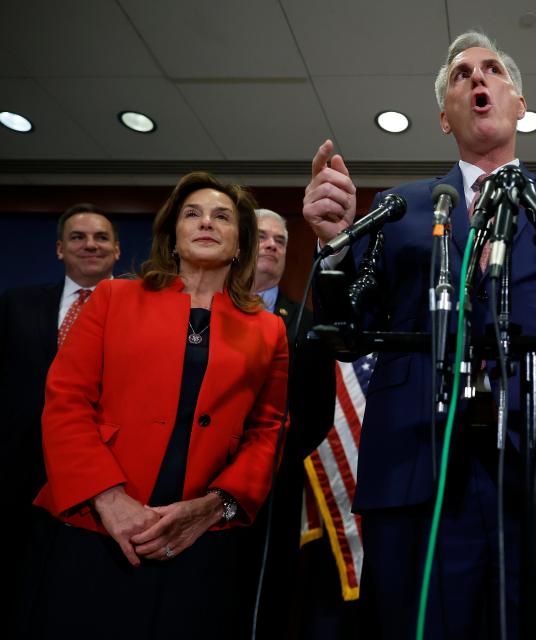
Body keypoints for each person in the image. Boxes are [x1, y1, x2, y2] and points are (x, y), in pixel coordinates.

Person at [303, 31, 536, 638]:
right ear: (443, 117)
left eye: (492, 72)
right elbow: (354, 329)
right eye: (461, 75)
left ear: (518, 103)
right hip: (419, 467)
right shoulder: (401, 207)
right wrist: (333, 243)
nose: (477, 80)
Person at [28, 172, 289, 639]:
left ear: (239, 243)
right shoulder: (112, 298)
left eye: (222, 217)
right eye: (193, 214)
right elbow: (66, 402)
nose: (206, 222)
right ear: (172, 236)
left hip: (200, 540)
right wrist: (109, 500)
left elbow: (268, 430)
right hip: (99, 529)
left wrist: (216, 506)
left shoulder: (269, 330)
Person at [0, 203, 120, 635]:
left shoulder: (139, 310)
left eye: (101, 237)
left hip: (103, 474)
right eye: (78, 237)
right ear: (58, 249)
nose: (90, 245)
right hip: (19, 473)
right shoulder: (17, 303)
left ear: (118, 251)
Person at [246, 208, 348, 639]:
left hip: (273, 492)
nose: (271, 244)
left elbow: (318, 412)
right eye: (262, 236)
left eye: (281, 240)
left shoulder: (308, 327)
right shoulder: (195, 313)